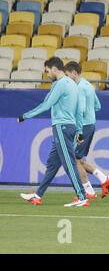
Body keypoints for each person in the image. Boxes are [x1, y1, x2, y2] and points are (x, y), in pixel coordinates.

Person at [19, 57, 89, 207]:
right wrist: (79, 131)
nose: (47, 74)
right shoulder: (73, 84)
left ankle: (82, 196)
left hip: (61, 127)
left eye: (47, 71)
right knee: (52, 164)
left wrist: (25, 116)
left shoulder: (59, 84)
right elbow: (79, 110)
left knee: (69, 163)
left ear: (55, 69)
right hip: (69, 127)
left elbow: (46, 105)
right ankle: (38, 195)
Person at [64, 61, 109, 200]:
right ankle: (104, 179)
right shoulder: (89, 85)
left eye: (68, 75)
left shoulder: (79, 87)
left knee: (74, 159)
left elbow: (81, 109)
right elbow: (97, 106)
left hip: (83, 126)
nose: (67, 79)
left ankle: (89, 191)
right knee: (78, 159)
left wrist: (78, 128)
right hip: (90, 124)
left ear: (74, 72)